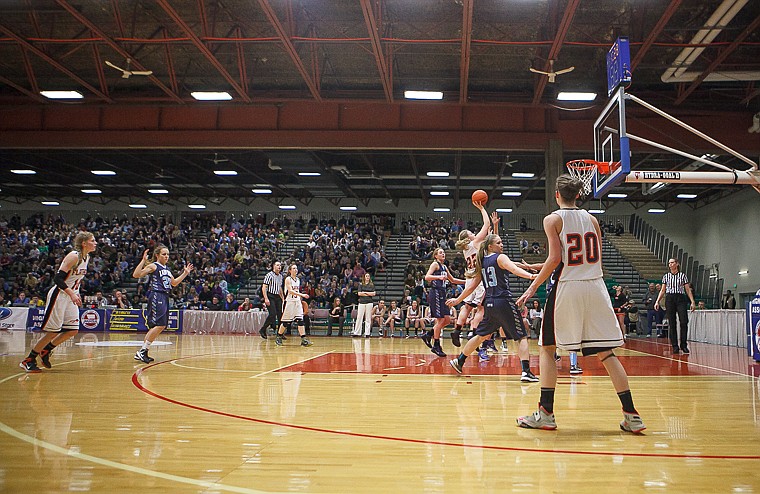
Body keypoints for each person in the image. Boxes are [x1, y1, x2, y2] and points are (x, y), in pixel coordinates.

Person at [514, 174, 645, 433]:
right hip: (596, 287)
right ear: (577, 195)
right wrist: (543, 266)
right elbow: (581, 257)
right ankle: (632, 416)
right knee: (607, 353)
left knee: (547, 347)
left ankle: (546, 413)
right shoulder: (592, 219)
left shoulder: (552, 219)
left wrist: (532, 287)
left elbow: (555, 259)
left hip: (569, 288)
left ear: (556, 195)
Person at [446, 234, 538, 381]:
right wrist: (533, 277)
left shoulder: (481, 262)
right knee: (521, 337)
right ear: (490, 246)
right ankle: (526, 372)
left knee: (480, 335)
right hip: (503, 301)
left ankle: (460, 360)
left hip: (489, 303)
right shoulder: (500, 258)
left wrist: (458, 300)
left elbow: (471, 286)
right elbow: (514, 269)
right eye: (499, 243)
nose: (502, 245)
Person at [20, 231, 97, 372]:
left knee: (72, 330)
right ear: (84, 243)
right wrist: (71, 293)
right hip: (60, 295)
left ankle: (46, 350)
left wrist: (75, 293)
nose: (95, 243)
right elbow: (58, 279)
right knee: (52, 332)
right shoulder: (74, 256)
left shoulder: (87, 258)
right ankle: (29, 359)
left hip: (71, 295)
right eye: (93, 240)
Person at [132, 245, 193, 363]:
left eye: (168, 254)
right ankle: (142, 351)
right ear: (157, 255)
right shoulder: (154, 266)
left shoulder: (167, 269)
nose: (166, 256)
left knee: (159, 326)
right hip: (157, 295)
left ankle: (143, 351)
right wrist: (143, 261)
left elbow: (174, 283)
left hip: (164, 296)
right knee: (160, 325)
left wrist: (185, 273)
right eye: (164, 254)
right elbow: (136, 274)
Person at [450, 201, 492, 348]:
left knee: (467, 306)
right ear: (468, 237)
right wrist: (482, 209)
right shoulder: (475, 244)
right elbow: (486, 225)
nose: (474, 234)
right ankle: (474, 333)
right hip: (478, 280)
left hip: (469, 279)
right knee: (481, 308)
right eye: (472, 233)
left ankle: (457, 330)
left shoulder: (466, 249)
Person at [423, 247, 464, 357]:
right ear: (436, 255)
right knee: (440, 320)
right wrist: (439, 277)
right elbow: (427, 277)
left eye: (443, 252)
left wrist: (467, 282)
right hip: (435, 292)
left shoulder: (444, 267)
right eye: (440, 253)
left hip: (442, 293)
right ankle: (436, 345)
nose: (443, 254)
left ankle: (429, 334)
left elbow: (453, 280)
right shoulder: (435, 264)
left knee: (447, 320)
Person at [655, 258, 696, 354]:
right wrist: (657, 301)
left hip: (680, 298)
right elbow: (663, 290)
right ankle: (675, 346)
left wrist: (692, 301)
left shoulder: (682, 276)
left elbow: (687, 290)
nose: (670, 264)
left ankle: (683, 344)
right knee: (672, 323)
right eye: (669, 263)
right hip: (670, 298)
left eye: (672, 262)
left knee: (684, 321)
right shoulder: (666, 276)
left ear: (677, 264)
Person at [275, 264, 313, 347]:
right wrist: (302, 295)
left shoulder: (298, 280)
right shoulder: (288, 279)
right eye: (294, 268)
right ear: (290, 270)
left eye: (296, 268)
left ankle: (303, 339)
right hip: (289, 302)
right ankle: (279, 336)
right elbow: (290, 291)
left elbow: (296, 291)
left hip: (297, 302)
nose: (296, 270)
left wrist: (299, 298)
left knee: (300, 320)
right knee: (285, 322)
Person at [260, 260, 284, 339]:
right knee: (272, 314)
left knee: (280, 315)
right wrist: (266, 298)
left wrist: (283, 298)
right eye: (277, 265)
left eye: (280, 265)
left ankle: (280, 333)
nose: (279, 267)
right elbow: (264, 287)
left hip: (277, 296)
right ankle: (263, 329)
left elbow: (280, 288)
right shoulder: (269, 275)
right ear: (273, 266)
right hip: (270, 296)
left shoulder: (280, 276)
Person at [352, 272, 375, 337]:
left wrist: (364, 292)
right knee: (359, 317)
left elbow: (373, 294)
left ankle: (367, 333)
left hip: (369, 302)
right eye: (366, 276)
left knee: (368, 318)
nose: (367, 277)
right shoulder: (361, 285)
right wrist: (368, 293)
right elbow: (359, 293)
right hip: (362, 302)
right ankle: (357, 332)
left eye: (368, 276)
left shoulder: (372, 285)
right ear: (364, 277)